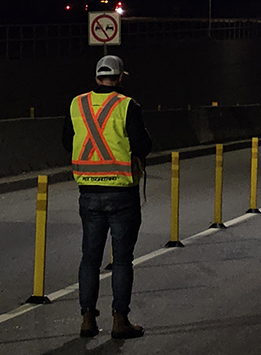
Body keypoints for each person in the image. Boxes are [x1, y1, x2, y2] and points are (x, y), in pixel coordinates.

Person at [67, 54, 153, 339]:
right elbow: (143, 144)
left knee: (89, 258)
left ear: (96, 78)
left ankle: (87, 319)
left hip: (88, 191)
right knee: (122, 260)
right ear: (118, 78)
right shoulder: (127, 106)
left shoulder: (77, 104)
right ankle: (120, 320)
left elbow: (67, 141)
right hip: (121, 193)